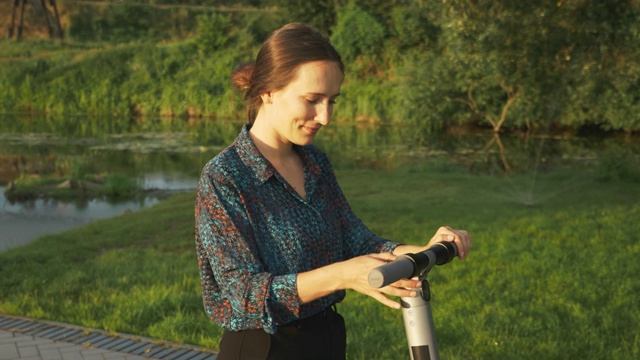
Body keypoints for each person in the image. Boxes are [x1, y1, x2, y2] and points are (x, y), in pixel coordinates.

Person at [194, 22, 472, 360]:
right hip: (263, 347)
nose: (324, 116)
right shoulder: (225, 178)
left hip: (326, 337)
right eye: (312, 100)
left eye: (332, 101)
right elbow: (242, 293)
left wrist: (422, 251)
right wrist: (341, 275)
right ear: (268, 92)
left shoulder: (315, 163)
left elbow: (354, 240)